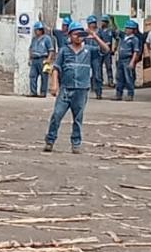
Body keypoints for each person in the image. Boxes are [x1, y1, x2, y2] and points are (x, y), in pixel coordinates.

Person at [44, 22, 110, 154]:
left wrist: (95, 37)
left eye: (81, 34)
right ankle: (50, 141)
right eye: (75, 34)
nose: (78, 37)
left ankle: (76, 144)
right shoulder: (64, 50)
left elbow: (106, 50)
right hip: (66, 89)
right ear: (70, 36)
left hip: (81, 89)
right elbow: (56, 68)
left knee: (78, 118)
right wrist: (54, 85)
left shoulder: (89, 50)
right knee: (57, 115)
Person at [114, 20, 142, 101]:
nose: (126, 29)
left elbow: (135, 51)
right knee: (119, 78)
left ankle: (130, 94)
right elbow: (116, 30)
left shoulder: (135, 39)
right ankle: (118, 94)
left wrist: (132, 62)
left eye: (128, 28)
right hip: (120, 59)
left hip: (128, 59)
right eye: (126, 28)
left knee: (128, 78)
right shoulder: (123, 37)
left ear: (132, 30)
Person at [28, 21, 55, 97]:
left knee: (44, 76)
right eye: (35, 30)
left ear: (41, 30)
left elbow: (51, 50)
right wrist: (30, 58)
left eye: (37, 30)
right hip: (34, 59)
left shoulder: (47, 39)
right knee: (32, 76)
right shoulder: (34, 39)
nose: (36, 31)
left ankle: (43, 92)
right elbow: (30, 49)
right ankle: (33, 92)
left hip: (43, 59)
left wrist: (49, 60)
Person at [86, 16, 107, 100]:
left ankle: (99, 92)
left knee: (97, 74)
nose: (92, 25)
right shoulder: (85, 32)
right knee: (86, 73)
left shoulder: (99, 32)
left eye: (94, 23)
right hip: (87, 55)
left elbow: (104, 43)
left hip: (96, 55)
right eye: (91, 23)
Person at [98, 15, 116, 88]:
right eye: (102, 21)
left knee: (108, 66)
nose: (102, 23)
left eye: (104, 21)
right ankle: (100, 81)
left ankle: (110, 81)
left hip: (108, 52)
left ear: (107, 23)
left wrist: (114, 48)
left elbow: (117, 37)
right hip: (100, 51)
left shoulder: (110, 31)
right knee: (99, 66)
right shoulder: (100, 31)